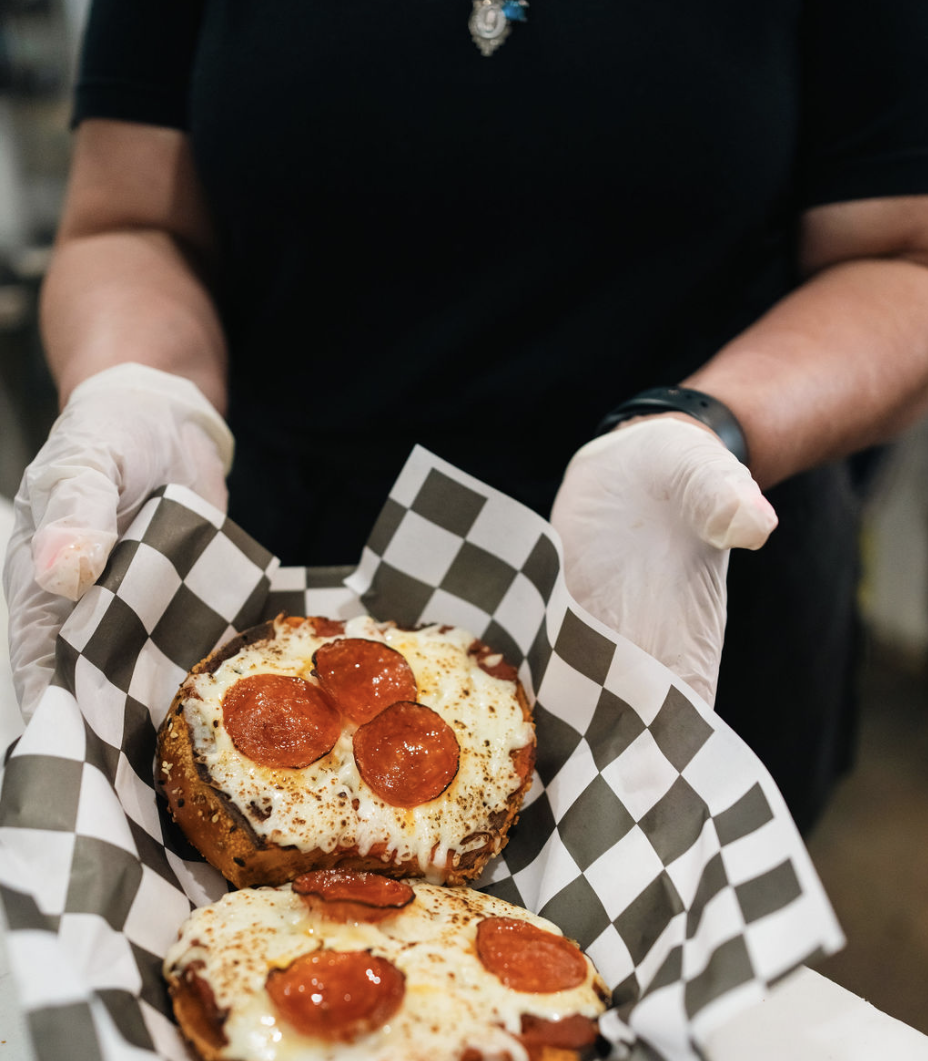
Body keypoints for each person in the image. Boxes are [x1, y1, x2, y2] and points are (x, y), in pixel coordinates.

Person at [5, 0, 928, 836]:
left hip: (674, 549)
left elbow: (899, 257)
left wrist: (704, 422)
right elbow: (132, 221)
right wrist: (144, 385)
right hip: (273, 572)